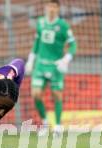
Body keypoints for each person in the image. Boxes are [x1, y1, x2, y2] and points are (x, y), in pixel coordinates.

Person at [25, 0, 77, 137]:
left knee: (56, 95)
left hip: (56, 66)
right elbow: (37, 42)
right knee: (36, 94)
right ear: (45, 7)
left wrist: (66, 60)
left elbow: (73, 45)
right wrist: (30, 60)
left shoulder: (63, 26)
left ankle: (58, 126)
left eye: (54, 6)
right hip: (40, 65)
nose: (51, 8)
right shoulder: (41, 23)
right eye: (49, 5)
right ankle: (45, 123)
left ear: (58, 8)